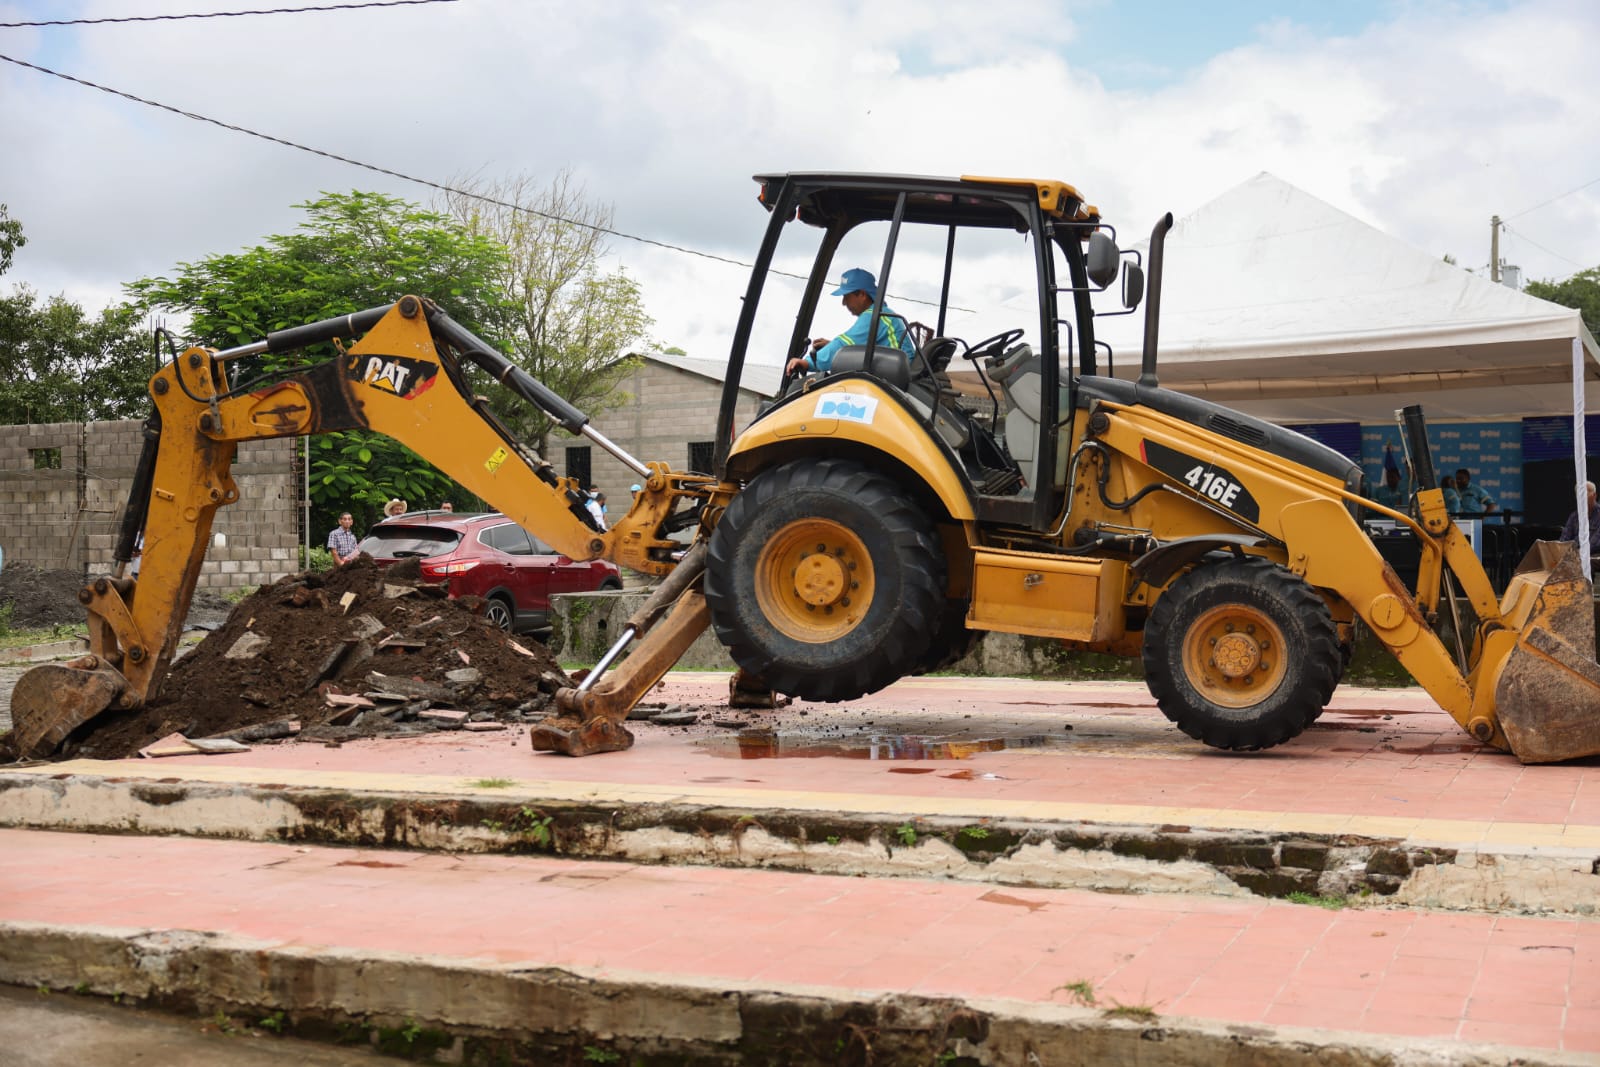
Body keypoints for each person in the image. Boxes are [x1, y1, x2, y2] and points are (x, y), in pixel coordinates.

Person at [785, 267, 916, 377]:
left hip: (895, 379)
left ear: (862, 295)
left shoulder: (874, 316)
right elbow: (863, 348)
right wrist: (843, 350)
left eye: (846, 296)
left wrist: (807, 363)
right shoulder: (882, 315)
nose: (843, 303)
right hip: (891, 374)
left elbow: (843, 342)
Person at [1560, 481, 1600, 552]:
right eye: (1578, 494)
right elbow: (1564, 540)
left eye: (1585, 492)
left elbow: (1595, 543)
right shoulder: (1574, 516)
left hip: (1593, 557)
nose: (1581, 496)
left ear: (1594, 495)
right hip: (1575, 555)